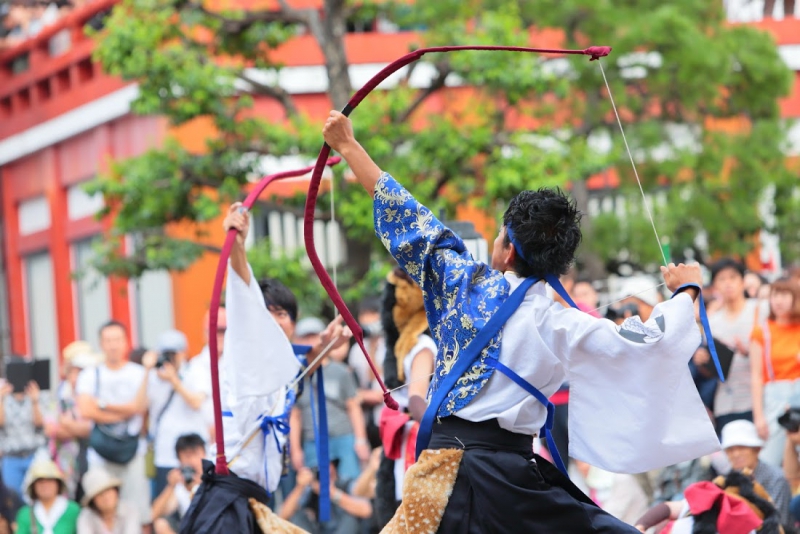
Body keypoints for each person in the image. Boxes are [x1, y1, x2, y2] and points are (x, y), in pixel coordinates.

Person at [322, 110, 720, 532]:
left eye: (499, 235)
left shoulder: (463, 282)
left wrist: (348, 145)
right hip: (515, 484)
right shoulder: (562, 323)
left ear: (508, 250)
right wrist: (686, 291)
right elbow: (652, 341)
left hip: (441, 475)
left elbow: (407, 216)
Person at [179, 203, 351, 533]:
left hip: (251, 501)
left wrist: (324, 346)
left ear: (293, 325)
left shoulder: (282, 370)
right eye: (265, 313)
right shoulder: (247, 356)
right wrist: (238, 245)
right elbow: (244, 295)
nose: (273, 321)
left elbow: (299, 368)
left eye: (282, 314)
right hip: (226, 501)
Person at [374, 268, 435, 528]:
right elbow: (414, 398)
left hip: (413, 437)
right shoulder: (406, 346)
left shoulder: (420, 345)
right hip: (406, 437)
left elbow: (416, 397)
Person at [75, 320, 151, 527]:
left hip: (133, 451)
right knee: (101, 512)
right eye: (108, 340)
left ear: (126, 342)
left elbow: (141, 407)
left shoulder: (138, 372)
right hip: (101, 453)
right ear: (101, 344)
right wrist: (126, 411)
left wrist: (103, 405)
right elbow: (86, 410)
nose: (113, 345)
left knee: (139, 512)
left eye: (117, 339)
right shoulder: (89, 374)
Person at [146, 329, 213, 498]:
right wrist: (146, 370)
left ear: (183, 353)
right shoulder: (153, 377)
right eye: (165, 354)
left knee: (199, 498)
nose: (169, 358)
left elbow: (196, 402)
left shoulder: (196, 372)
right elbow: (139, 407)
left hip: (194, 455)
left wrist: (174, 380)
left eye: (172, 353)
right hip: (165, 454)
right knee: (167, 503)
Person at [707, 258, 763, 432]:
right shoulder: (712, 322)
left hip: (758, 401)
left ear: (742, 281)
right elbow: (711, 370)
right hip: (725, 403)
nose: (728, 283)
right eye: (722, 279)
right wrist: (703, 360)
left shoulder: (760, 310)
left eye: (732, 277)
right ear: (715, 286)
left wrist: (749, 352)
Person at [634, 470, 782, 534]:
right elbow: (668, 508)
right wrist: (641, 526)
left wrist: (641, 525)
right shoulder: (709, 500)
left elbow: (667, 507)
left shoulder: (707, 499)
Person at [750, 278, 800, 466]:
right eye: (775, 295)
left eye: (785, 295)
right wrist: (759, 416)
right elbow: (756, 376)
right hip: (775, 398)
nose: (779, 300)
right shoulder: (762, 332)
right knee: (770, 460)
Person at [46, 340, 102, 500]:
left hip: (93, 457)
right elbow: (51, 429)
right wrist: (77, 428)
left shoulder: (96, 393)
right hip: (65, 462)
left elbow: (94, 428)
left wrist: (68, 424)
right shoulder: (60, 394)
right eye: (75, 371)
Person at [719, 420, 791, 528]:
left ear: (757, 449)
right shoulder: (724, 481)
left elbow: (778, 520)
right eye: (730, 450)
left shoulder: (776, 478)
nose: (736, 454)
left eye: (742, 447)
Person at [279, 462, 372, 533]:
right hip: (319, 530)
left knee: (352, 515)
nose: (324, 470)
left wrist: (331, 492)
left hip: (343, 529)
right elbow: (282, 517)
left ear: (334, 466)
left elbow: (366, 510)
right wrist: (300, 487)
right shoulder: (311, 489)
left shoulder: (345, 482)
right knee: (297, 515)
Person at [0, 372, 45, 496]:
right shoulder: (3, 396)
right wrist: (1, 399)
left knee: (37, 495)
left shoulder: (36, 394)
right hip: (11, 456)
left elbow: (40, 424)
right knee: (13, 495)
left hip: (34, 454)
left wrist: (35, 401)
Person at [151, 434, 206, 534]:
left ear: (205, 454)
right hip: (189, 530)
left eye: (196, 454)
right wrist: (170, 486)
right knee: (160, 524)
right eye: (187, 456)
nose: (192, 460)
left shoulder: (216, 478)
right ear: (179, 461)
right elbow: (153, 515)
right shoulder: (179, 486)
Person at [15, 458, 80, 534]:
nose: (45, 485)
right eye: (40, 481)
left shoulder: (73, 510)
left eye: (49, 480)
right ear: (33, 487)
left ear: (58, 484)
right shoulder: (25, 513)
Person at [77, 468, 141, 534]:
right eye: (100, 494)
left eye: (108, 490)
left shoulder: (130, 510)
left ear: (116, 491)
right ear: (93, 501)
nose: (105, 497)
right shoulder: (86, 516)